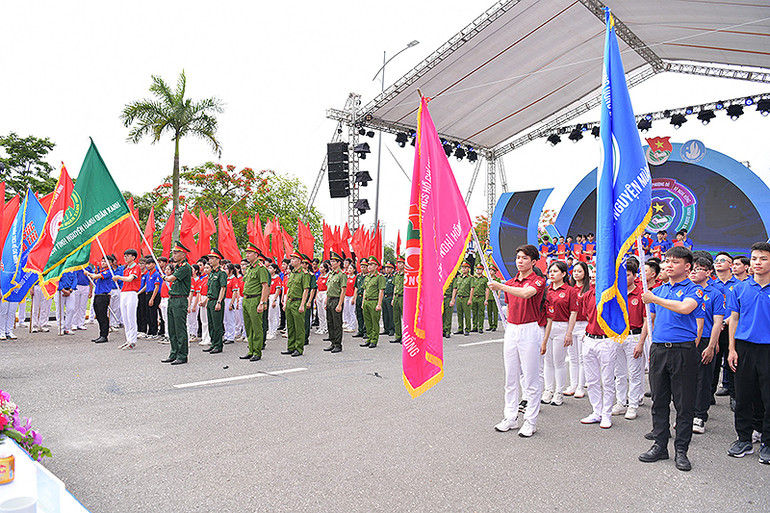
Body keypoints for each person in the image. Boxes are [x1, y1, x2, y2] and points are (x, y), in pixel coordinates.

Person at [640, 246, 702, 471]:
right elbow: (651, 319)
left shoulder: (694, 290)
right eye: (667, 261)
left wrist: (654, 298)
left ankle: (682, 450)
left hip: (683, 350)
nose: (669, 265)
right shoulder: (660, 289)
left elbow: (685, 308)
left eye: (675, 262)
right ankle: (660, 445)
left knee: (684, 403)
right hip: (659, 349)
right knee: (659, 400)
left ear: (687, 267)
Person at [488, 244, 546, 438]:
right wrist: (502, 287)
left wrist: (501, 286)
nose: (520, 261)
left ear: (533, 261)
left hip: (529, 329)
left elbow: (526, 293)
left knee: (530, 379)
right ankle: (510, 417)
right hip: (512, 329)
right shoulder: (511, 282)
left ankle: (530, 421)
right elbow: (509, 301)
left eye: (524, 258)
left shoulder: (538, 280)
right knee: (511, 378)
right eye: (518, 257)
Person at [726, 242, 770, 463]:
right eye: (754, 258)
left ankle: (767, 442)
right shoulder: (740, 288)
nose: (757, 263)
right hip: (744, 348)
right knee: (743, 396)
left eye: (763, 258)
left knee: (767, 397)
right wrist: (732, 348)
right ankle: (743, 438)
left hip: (767, 349)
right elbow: (734, 319)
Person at [689, 256, 724, 434]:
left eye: (699, 269)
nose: (694, 272)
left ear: (709, 272)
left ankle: (700, 416)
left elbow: (718, 322)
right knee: (686, 380)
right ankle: (687, 414)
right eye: (692, 269)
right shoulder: (686, 290)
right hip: (686, 339)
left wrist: (712, 345)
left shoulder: (715, 293)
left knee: (703, 380)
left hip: (705, 340)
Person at [613, 259, 649, 421]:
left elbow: (646, 320)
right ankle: (621, 402)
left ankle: (633, 404)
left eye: (627, 275)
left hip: (634, 336)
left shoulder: (641, 294)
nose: (624, 278)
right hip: (618, 336)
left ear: (635, 276)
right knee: (619, 373)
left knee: (635, 372)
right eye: (621, 275)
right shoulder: (615, 294)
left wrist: (641, 343)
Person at [579, 276, 616, 429]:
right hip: (589, 339)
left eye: (597, 273)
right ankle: (597, 411)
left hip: (606, 340)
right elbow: (587, 315)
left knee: (607, 380)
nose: (594, 276)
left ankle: (607, 413)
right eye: (592, 273)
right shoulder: (588, 295)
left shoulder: (613, 294)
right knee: (592, 380)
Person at [541, 261, 577, 406]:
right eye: (550, 271)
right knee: (547, 361)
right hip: (547, 327)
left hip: (561, 326)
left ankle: (559, 392)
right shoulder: (546, 290)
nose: (552, 274)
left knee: (559, 361)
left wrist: (569, 332)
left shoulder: (570, 291)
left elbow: (573, 312)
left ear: (563, 274)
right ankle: (548, 390)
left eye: (555, 271)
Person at [161, 242, 192, 364]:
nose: (174, 254)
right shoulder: (178, 267)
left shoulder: (185, 267)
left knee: (180, 328)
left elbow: (170, 278)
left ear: (183, 254)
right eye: (173, 252)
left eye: (176, 252)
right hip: (173, 298)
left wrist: (164, 276)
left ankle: (182, 355)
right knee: (172, 328)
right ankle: (174, 352)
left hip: (180, 299)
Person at [240, 243, 270, 361]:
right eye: (246, 253)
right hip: (246, 298)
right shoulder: (249, 268)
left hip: (255, 299)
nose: (247, 255)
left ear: (256, 255)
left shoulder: (261, 268)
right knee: (248, 327)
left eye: (249, 253)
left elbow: (265, 286)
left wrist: (262, 302)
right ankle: (251, 350)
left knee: (256, 327)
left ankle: (257, 351)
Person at [566, 261, 590, 398]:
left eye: (579, 271)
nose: (576, 274)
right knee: (573, 358)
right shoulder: (570, 289)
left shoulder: (589, 290)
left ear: (585, 273)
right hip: (571, 326)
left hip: (583, 325)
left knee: (582, 358)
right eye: (574, 271)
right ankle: (573, 385)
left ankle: (581, 387)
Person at [282, 251, 309, 357]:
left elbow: (305, 290)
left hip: (298, 301)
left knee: (299, 327)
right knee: (290, 326)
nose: (291, 261)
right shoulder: (292, 273)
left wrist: (302, 304)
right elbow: (289, 288)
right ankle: (291, 346)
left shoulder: (304, 274)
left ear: (299, 261)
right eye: (291, 259)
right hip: (290, 301)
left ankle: (299, 348)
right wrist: (285, 302)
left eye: (293, 259)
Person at [84, 255, 117, 344]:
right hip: (98, 294)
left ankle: (104, 335)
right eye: (102, 261)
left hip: (103, 296)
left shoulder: (108, 271)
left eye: (105, 261)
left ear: (110, 263)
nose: (103, 263)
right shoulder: (101, 271)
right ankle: (101, 334)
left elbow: (95, 277)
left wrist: (88, 273)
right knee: (98, 315)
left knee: (103, 316)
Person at [201, 249, 227, 354]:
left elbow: (222, 288)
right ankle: (213, 343)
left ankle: (218, 345)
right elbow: (210, 289)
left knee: (217, 324)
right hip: (210, 300)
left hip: (217, 300)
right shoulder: (211, 273)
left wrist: (219, 302)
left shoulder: (221, 273)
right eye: (209, 258)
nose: (210, 260)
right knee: (211, 324)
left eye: (212, 258)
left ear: (218, 259)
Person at [324, 251, 346, 353]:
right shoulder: (331, 274)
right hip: (329, 299)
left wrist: (340, 304)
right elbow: (328, 288)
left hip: (336, 300)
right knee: (330, 322)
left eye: (333, 261)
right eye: (331, 261)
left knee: (337, 323)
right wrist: (326, 301)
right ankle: (332, 342)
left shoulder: (341, 275)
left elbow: (343, 290)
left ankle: (338, 344)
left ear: (339, 263)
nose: (331, 263)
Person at [361, 256, 385, 348]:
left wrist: (379, 304)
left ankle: (374, 340)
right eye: (369, 265)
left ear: (376, 266)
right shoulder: (367, 277)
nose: (369, 266)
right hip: (366, 301)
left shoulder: (379, 277)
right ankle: (369, 338)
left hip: (374, 301)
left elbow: (381, 291)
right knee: (367, 322)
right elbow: (365, 290)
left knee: (374, 322)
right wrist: (363, 302)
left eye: (371, 265)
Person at [451, 261, 473, 336]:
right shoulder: (458, 277)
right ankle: (460, 328)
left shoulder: (470, 278)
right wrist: (453, 298)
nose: (463, 269)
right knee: (459, 314)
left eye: (465, 267)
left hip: (466, 298)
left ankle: (467, 329)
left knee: (467, 314)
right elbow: (455, 288)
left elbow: (472, 289)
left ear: (468, 269)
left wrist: (470, 299)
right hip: (459, 298)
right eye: (462, 267)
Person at [56, 271, 77, 336]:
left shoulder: (72, 269)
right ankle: (61, 328)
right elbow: (57, 280)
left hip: (70, 291)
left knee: (71, 309)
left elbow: (75, 279)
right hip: (60, 291)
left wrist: (70, 290)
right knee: (60, 310)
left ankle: (67, 328)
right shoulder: (59, 269)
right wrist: (63, 290)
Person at [390, 255, 405, 344]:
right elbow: (395, 286)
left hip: (403, 297)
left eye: (400, 263)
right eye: (398, 263)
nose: (399, 265)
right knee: (396, 318)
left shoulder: (407, 274)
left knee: (404, 318)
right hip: (396, 297)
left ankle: (404, 336)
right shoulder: (396, 274)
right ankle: (398, 336)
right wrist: (393, 298)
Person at [352, 257, 368, 339]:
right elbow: (356, 287)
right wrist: (354, 297)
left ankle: (366, 332)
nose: (363, 268)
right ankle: (360, 330)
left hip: (365, 297)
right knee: (359, 314)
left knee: (365, 315)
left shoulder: (368, 276)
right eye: (361, 266)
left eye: (364, 266)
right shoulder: (358, 276)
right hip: (358, 296)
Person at [471, 264, 489, 333]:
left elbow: (487, 290)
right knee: (474, 313)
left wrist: (486, 299)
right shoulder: (473, 278)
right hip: (474, 297)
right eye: (477, 269)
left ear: (482, 270)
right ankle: (474, 326)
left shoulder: (485, 279)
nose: (478, 270)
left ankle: (480, 327)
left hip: (481, 297)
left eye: (480, 269)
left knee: (481, 313)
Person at [267, 263, 282, 339]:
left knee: (274, 315)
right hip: (269, 296)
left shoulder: (277, 278)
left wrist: (274, 300)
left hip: (274, 296)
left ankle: (273, 332)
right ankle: (270, 330)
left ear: (275, 269)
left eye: (270, 268)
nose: (269, 269)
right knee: (269, 316)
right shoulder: (268, 278)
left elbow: (278, 289)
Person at [381, 261, 396, 336]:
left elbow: (394, 289)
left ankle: (391, 329)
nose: (387, 269)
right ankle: (386, 329)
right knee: (385, 313)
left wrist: (393, 298)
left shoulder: (394, 277)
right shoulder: (384, 277)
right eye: (386, 267)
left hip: (390, 296)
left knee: (391, 314)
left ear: (392, 269)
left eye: (389, 267)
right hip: (384, 296)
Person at [315, 261, 329, 336]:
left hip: (325, 292)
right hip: (319, 293)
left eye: (321, 267)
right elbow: (318, 287)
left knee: (324, 311)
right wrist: (316, 296)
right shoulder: (320, 276)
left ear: (325, 269)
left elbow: (328, 287)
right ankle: (321, 326)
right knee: (320, 312)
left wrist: (327, 297)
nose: (320, 268)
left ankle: (326, 327)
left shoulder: (327, 276)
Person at [343, 259, 357, 333]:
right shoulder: (346, 277)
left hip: (352, 296)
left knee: (352, 311)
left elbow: (356, 289)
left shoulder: (355, 278)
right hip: (346, 296)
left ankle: (352, 326)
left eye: (351, 268)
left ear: (354, 270)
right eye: (349, 268)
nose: (349, 269)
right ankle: (347, 324)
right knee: (346, 311)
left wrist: (354, 298)